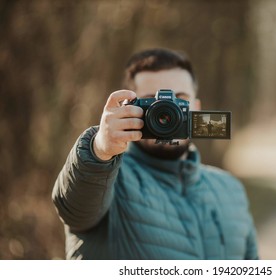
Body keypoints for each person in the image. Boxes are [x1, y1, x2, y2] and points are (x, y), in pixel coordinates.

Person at [52, 48, 259, 260]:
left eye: (181, 100)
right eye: (153, 102)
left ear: (196, 109)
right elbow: (73, 210)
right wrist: (99, 149)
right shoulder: (107, 179)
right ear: (129, 110)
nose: (169, 112)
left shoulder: (231, 190)